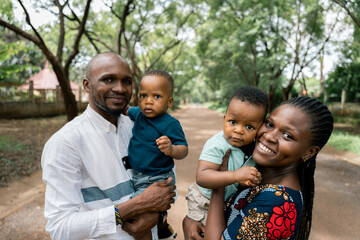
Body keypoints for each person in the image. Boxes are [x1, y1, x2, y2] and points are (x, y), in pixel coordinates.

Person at [41, 52, 175, 240]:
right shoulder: (66, 143)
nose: (120, 89)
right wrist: (136, 206)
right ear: (87, 85)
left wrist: (157, 215)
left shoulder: (138, 127)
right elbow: (61, 228)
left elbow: (163, 181)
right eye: (108, 80)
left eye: (126, 81)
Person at [183, 96, 334, 240]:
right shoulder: (253, 170)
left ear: (309, 152)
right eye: (269, 124)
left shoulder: (277, 202)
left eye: (287, 135)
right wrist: (189, 222)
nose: (269, 136)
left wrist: (220, 180)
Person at [186, 86, 268, 226]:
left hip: (227, 202)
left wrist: (247, 179)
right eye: (233, 122)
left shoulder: (256, 149)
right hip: (204, 201)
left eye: (249, 127)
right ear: (225, 119)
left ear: (259, 128)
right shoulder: (217, 144)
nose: (238, 130)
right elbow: (202, 176)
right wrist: (236, 175)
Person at [125, 70, 188, 239]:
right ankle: (163, 228)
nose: (148, 101)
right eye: (143, 96)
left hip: (157, 178)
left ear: (169, 102)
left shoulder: (170, 123)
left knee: (138, 218)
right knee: (138, 214)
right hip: (138, 176)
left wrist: (172, 149)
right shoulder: (138, 113)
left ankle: (160, 229)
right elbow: (125, 109)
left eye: (156, 97)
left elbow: (184, 149)